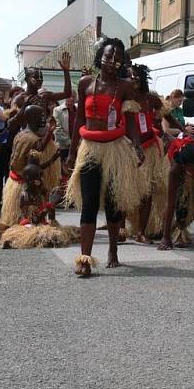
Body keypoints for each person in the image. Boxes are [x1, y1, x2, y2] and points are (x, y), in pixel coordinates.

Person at [64, 38, 146, 276]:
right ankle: (85, 258)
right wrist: (71, 152)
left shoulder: (125, 87)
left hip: (115, 149)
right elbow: (79, 117)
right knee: (89, 204)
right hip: (89, 148)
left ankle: (113, 250)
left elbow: (131, 121)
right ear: (100, 56)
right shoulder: (86, 83)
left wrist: (138, 147)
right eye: (109, 56)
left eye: (118, 58)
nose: (113, 62)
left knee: (112, 203)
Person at [127, 63, 170, 243]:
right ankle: (122, 227)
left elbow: (168, 115)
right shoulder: (124, 99)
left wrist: (183, 129)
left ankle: (141, 232)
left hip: (150, 148)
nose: (134, 78)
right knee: (126, 191)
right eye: (130, 76)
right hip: (127, 149)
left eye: (136, 75)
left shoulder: (151, 99)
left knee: (147, 191)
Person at [158, 137, 194, 250]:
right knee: (181, 200)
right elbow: (170, 204)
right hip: (179, 174)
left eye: (193, 166)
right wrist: (165, 237)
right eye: (188, 166)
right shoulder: (175, 169)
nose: (190, 169)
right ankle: (173, 231)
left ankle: (180, 229)